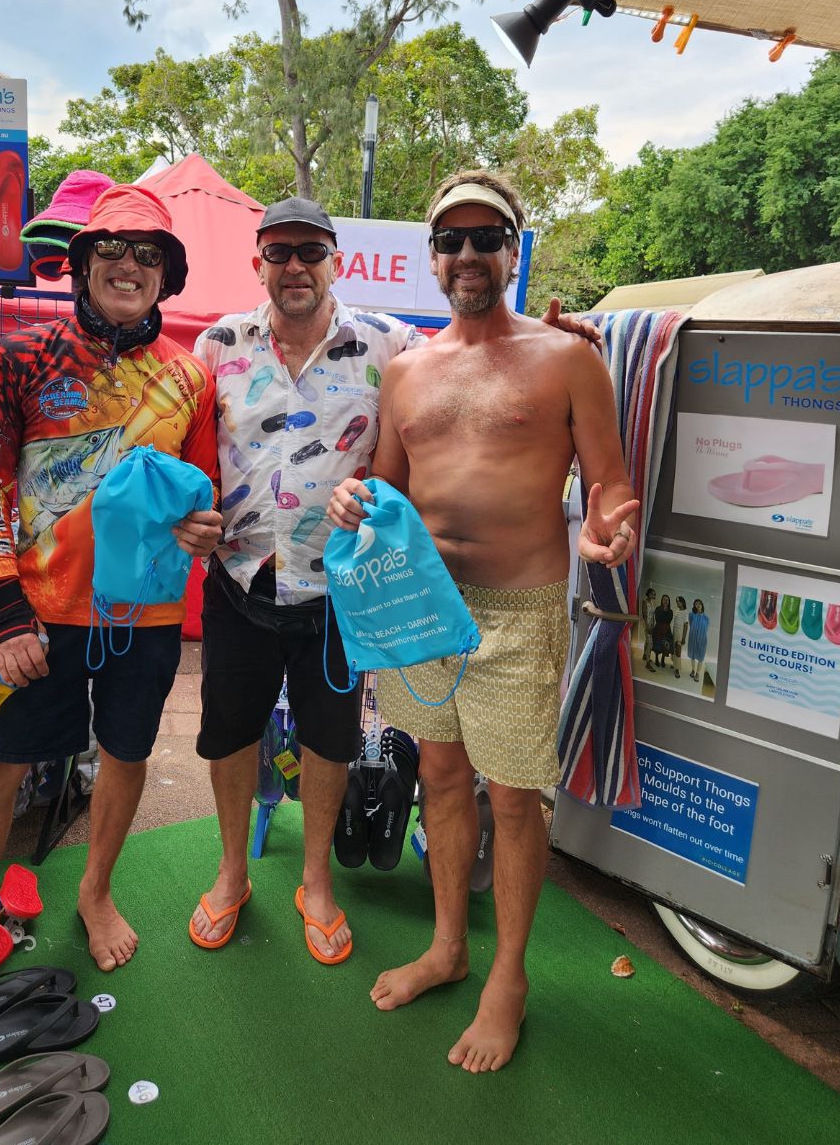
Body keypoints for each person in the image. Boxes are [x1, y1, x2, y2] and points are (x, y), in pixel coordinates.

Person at [188, 194, 598, 965]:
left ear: (336, 261)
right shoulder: (217, 343)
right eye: (279, 252)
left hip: (343, 593)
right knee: (230, 734)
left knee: (329, 741)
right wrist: (187, 514)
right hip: (242, 579)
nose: (296, 266)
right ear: (258, 264)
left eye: (311, 251)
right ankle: (232, 872)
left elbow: (478, 353)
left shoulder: (390, 343)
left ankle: (316, 884)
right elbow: (182, 447)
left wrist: (554, 337)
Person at [0, 184, 223, 1054]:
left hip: (144, 619)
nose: (129, 266)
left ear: (168, 274)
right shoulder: (21, 359)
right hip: (37, 617)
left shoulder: (191, 376)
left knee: (126, 756)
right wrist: (6, 614)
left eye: (148, 254)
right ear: (82, 263)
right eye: (113, 250)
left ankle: (95, 892)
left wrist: (203, 528)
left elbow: (204, 496)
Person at [328, 167, 637, 1073]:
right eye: (451, 240)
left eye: (486, 238)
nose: (468, 254)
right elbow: (388, 485)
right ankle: (448, 947)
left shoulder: (568, 359)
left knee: (513, 796)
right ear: (432, 258)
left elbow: (610, 481)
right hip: (422, 604)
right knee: (440, 775)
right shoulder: (405, 371)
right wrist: (353, 498)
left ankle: (509, 979)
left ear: (512, 251)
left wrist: (609, 530)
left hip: (521, 608)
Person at [687, 598, 710, 681]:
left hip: (702, 639)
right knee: (692, 655)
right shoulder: (691, 615)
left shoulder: (706, 618)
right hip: (693, 638)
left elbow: (706, 629)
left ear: (702, 605)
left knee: (701, 657)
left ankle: (697, 673)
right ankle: (693, 670)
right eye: (696, 603)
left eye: (699, 603)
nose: (698, 605)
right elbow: (691, 624)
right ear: (694, 606)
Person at [652, 594, 674, 670]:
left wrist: (664, 624)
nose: (665, 601)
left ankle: (663, 660)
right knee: (657, 644)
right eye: (664, 599)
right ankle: (656, 658)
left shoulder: (670, 611)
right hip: (658, 628)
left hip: (666, 629)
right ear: (662, 600)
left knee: (665, 645)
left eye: (667, 600)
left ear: (669, 601)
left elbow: (669, 620)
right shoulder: (658, 609)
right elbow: (657, 618)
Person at [639, 587, 657, 671]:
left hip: (651, 624)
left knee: (647, 641)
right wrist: (647, 626)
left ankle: (644, 655)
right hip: (647, 624)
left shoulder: (652, 602)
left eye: (654, 594)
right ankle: (648, 663)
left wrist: (653, 625)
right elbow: (644, 615)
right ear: (648, 594)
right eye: (652, 594)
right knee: (650, 643)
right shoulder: (645, 602)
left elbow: (652, 615)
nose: (653, 595)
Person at [671, 595, 689, 677]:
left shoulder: (685, 612)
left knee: (678, 651)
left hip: (680, 633)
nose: (677, 603)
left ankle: (677, 669)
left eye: (679, 601)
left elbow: (686, 625)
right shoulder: (677, 610)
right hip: (674, 632)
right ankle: (675, 664)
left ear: (683, 602)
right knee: (674, 649)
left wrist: (683, 638)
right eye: (677, 602)